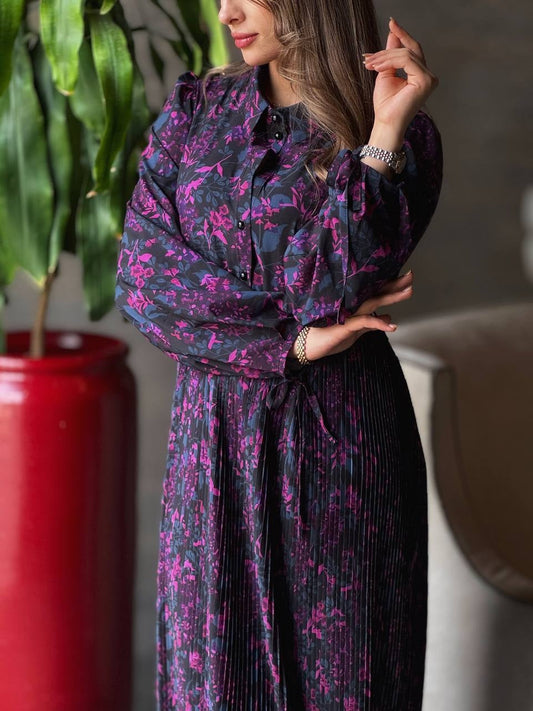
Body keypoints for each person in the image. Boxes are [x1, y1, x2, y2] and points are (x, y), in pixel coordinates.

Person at [115, 0, 443, 707]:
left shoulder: (400, 132)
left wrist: (382, 135)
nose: (225, 11)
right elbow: (143, 280)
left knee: (345, 681)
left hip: (339, 443)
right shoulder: (196, 109)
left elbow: (325, 285)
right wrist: (291, 340)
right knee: (215, 679)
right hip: (210, 444)